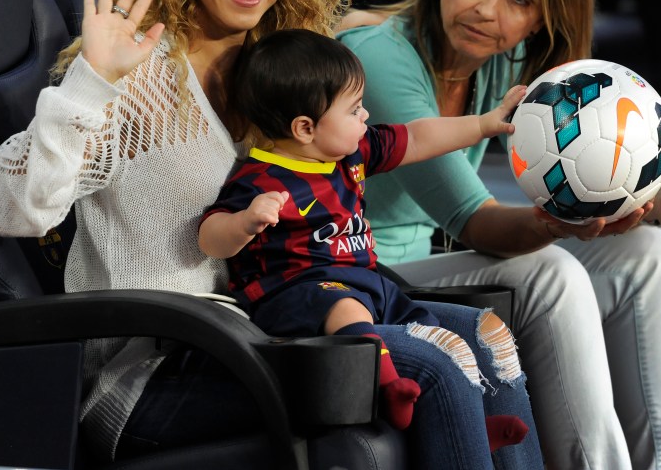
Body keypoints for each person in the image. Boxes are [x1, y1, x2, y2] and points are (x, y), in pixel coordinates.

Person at [0, 0, 542, 469]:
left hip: (271, 333)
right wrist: (91, 81)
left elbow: (384, 143)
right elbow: (15, 209)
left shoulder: (282, 76)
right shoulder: (135, 80)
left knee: (487, 337)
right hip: (158, 375)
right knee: (432, 365)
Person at [337, 0, 661, 470]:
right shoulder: (380, 60)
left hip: (420, 270)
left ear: (541, 17)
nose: (488, 8)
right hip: (358, 282)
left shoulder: (496, 58)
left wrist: (652, 202)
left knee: (649, 253)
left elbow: (567, 187)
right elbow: (475, 221)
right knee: (549, 270)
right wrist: (562, 227)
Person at [199, 28, 530, 449]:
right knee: (343, 304)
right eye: (354, 109)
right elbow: (209, 237)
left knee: (429, 324)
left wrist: (484, 124)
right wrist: (246, 221)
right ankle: (388, 387)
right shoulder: (259, 180)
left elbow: (420, 138)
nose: (366, 115)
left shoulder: (351, 152)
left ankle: (465, 423)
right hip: (294, 296)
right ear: (304, 128)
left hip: (368, 283)